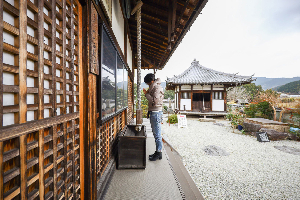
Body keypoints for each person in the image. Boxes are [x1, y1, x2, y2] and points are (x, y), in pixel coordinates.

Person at [143, 73, 164, 161]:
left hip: (156, 112)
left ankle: (159, 152)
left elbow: (154, 101)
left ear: (151, 81)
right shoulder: (154, 87)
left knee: (157, 134)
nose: (148, 85)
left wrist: (146, 94)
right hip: (154, 112)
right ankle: (158, 152)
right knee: (156, 134)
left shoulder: (157, 88)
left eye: (148, 83)